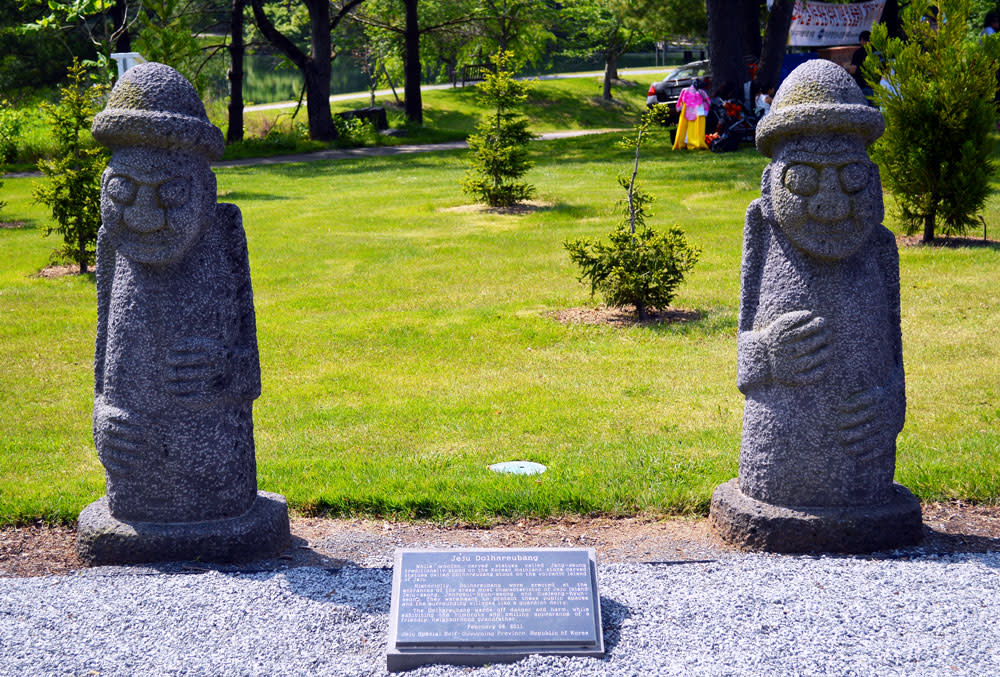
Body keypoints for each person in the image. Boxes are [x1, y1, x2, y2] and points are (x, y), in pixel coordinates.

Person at [672, 78, 711, 150]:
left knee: (687, 128)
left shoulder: (685, 91)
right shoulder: (701, 92)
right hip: (698, 111)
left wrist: (679, 108)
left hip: (688, 111)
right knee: (696, 128)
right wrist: (706, 109)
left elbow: (679, 102)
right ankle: (695, 142)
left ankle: (687, 142)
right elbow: (708, 102)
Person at [846, 30, 874, 102]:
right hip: (877, 86)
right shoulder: (878, 52)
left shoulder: (859, 52)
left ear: (862, 40)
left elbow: (852, 70)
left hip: (863, 85)